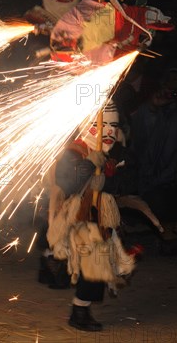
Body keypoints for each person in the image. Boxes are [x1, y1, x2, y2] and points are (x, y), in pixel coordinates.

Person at [45, 101, 134, 332]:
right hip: (73, 218)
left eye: (114, 125)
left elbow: (122, 186)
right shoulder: (73, 152)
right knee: (95, 259)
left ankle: (63, 280)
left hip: (98, 217)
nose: (109, 131)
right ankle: (79, 309)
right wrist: (87, 165)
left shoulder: (115, 152)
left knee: (100, 259)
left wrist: (112, 175)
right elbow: (65, 185)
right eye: (103, 125)